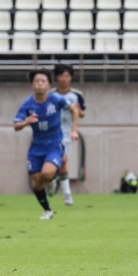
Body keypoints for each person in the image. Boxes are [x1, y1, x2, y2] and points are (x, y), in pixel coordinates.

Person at [14, 68, 79, 220]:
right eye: (36, 81)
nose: (39, 84)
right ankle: (47, 210)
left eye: (43, 81)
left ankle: (52, 180)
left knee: (47, 173)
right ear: (32, 84)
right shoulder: (27, 104)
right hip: (36, 147)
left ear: (49, 85)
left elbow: (74, 110)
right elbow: (16, 126)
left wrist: (74, 130)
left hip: (54, 144)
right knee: (37, 182)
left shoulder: (56, 99)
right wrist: (26, 122)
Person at [48, 64, 86, 206]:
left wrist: (78, 111)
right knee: (60, 161)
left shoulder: (76, 95)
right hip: (52, 133)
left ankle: (64, 192)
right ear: (57, 77)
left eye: (67, 76)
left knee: (63, 162)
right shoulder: (51, 95)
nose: (64, 79)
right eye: (61, 76)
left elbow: (82, 113)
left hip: (68, 134)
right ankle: (64, 191)